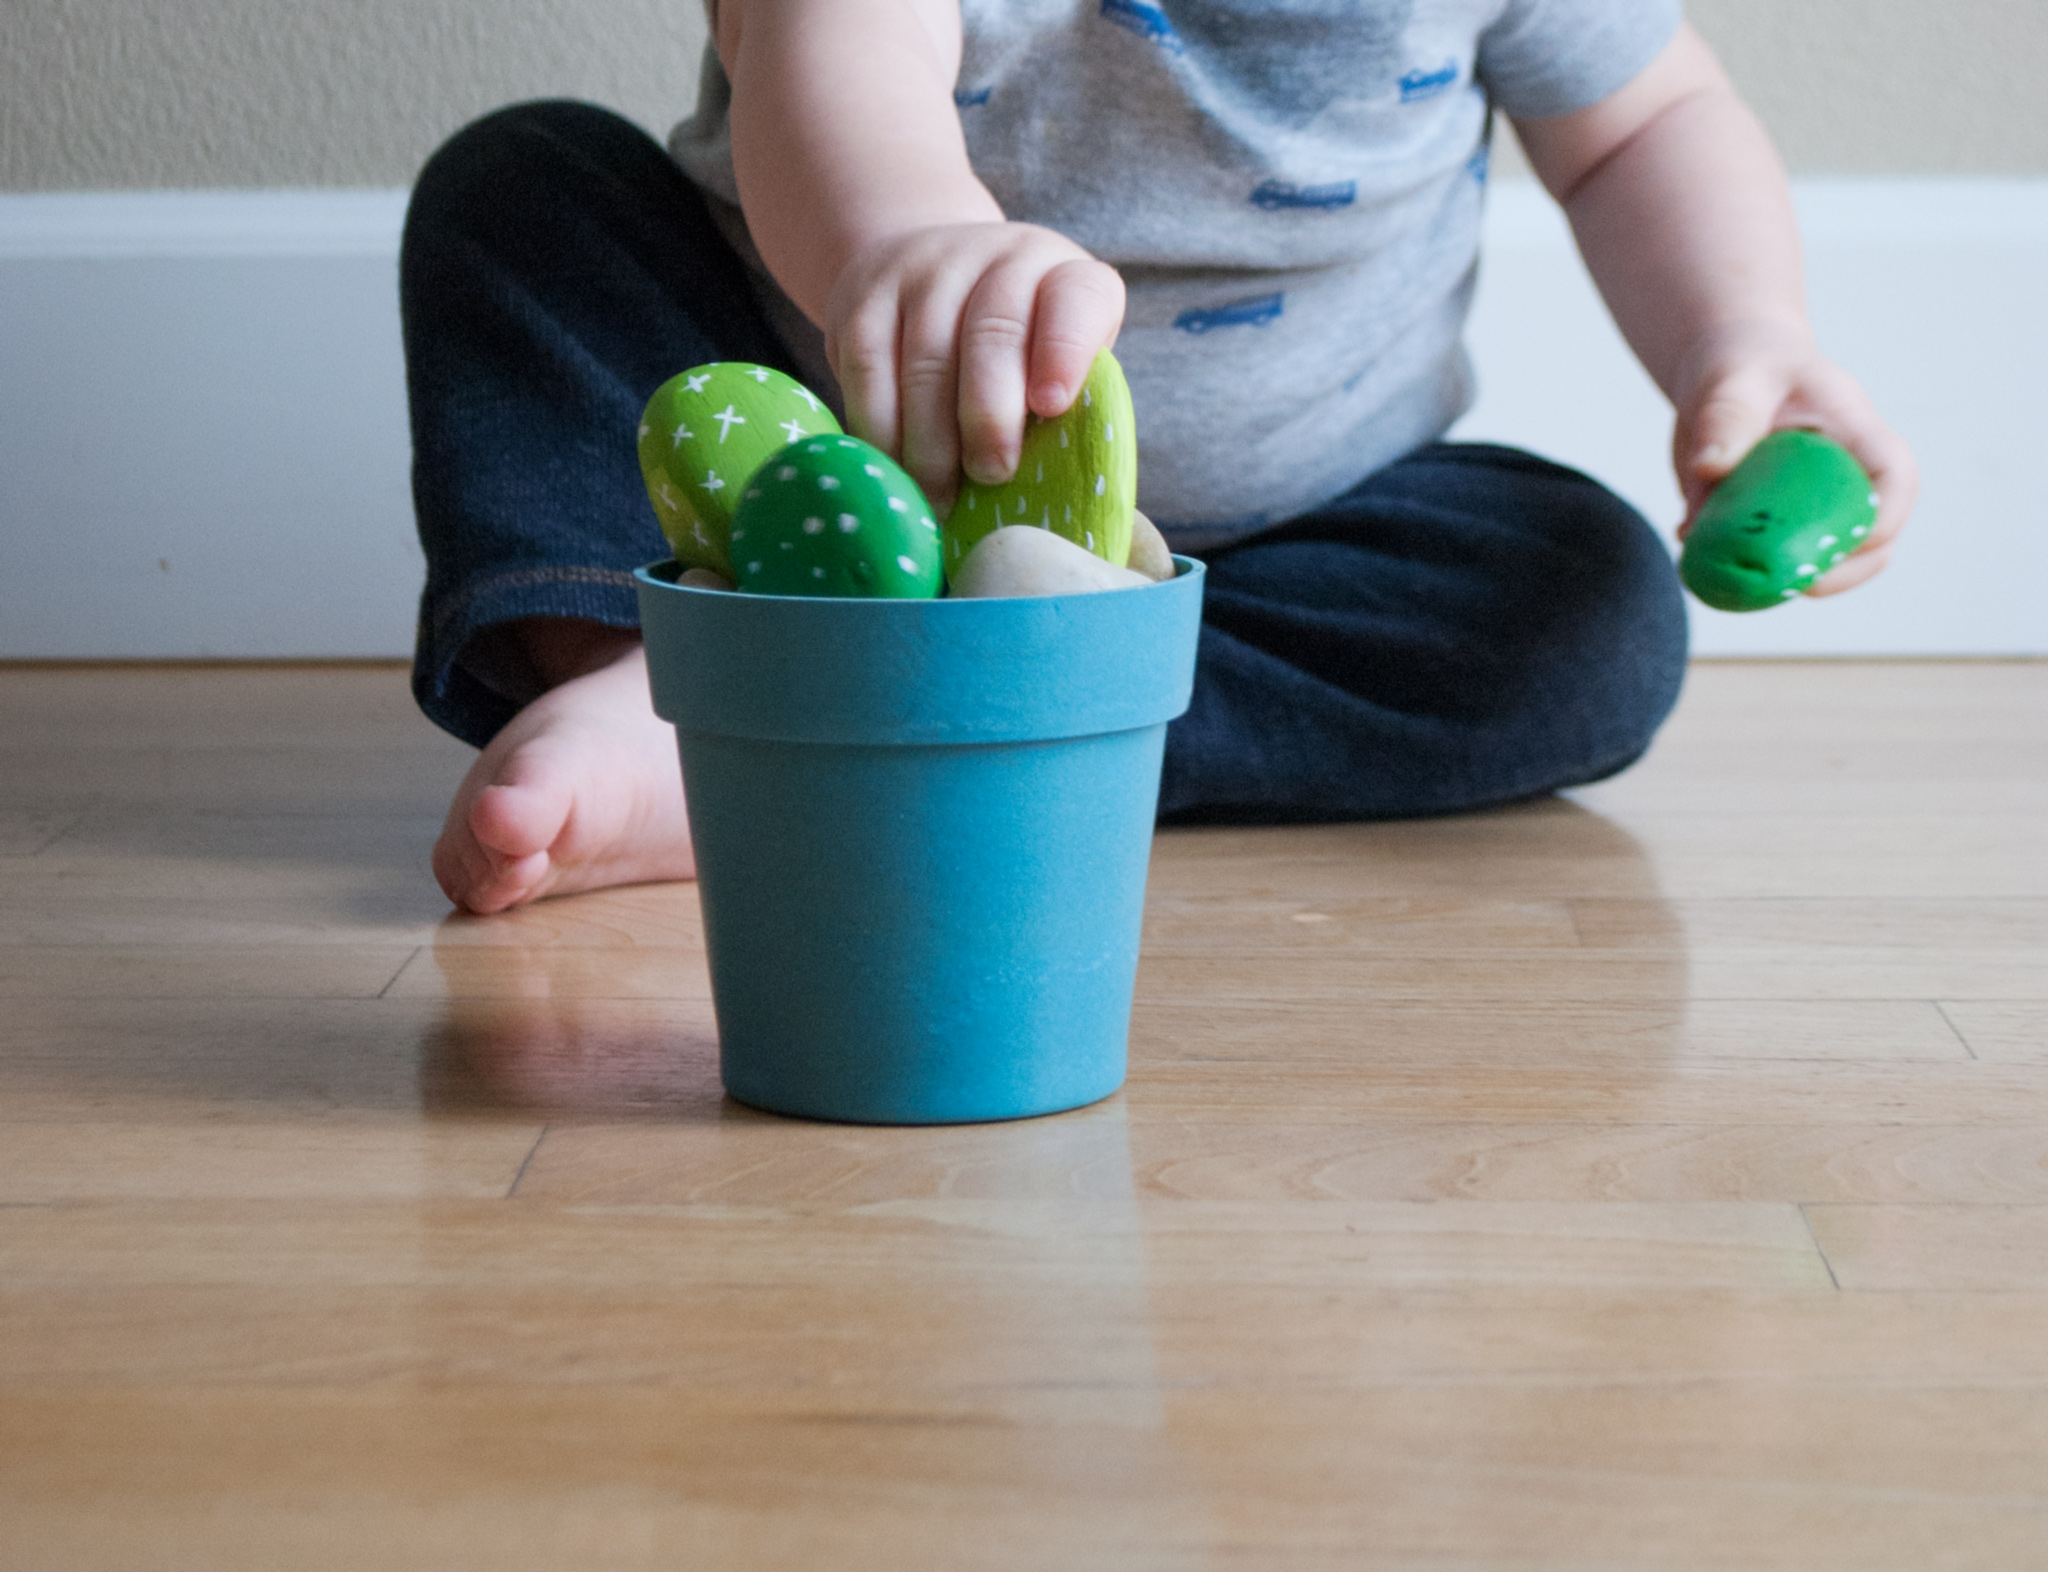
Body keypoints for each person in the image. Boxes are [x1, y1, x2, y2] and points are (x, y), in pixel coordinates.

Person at [401, 0, 1916, 915]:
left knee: (1582, 604)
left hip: (1276, 541)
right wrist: (909, 230)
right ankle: (672, 683)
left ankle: (994, 729)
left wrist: (1747, 336)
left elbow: (1647, 125)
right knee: (527, 189)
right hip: (806, 491)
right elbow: (827, 52)